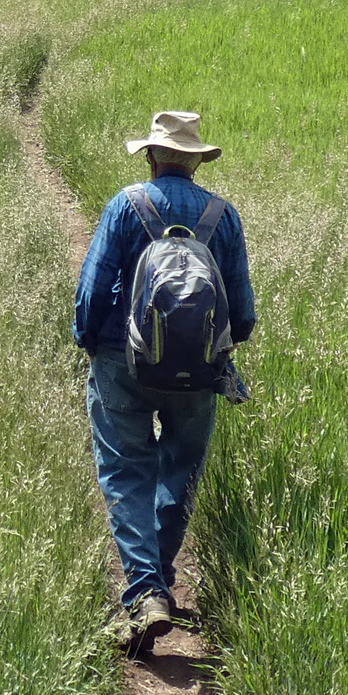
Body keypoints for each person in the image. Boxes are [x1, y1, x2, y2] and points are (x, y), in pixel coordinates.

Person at [73, 110, 256, 653]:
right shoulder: (223, 217)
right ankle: (158, 573)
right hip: (199, 371)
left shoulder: (125, 206)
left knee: (127, 473)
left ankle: (145, 591)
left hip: (119, 363)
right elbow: (242, 315)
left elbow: (90, 296)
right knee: (180, 470)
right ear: (196, 161)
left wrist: (93, 343)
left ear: (151, 155)